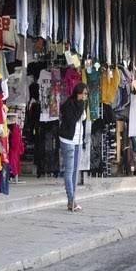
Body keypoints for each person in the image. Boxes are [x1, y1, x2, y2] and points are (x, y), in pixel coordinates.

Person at [59, 83, 88, 212]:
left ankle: (72, 199)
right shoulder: (68, 105)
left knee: (76, 171)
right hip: (68, 140)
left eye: (87, 94)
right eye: (84, 93)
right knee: (69, 171)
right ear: (78, 93)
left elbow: (83, 122)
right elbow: (72, 120)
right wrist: (81, 107)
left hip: (78, 140)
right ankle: (71, 200)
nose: (85, 96)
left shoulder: (82, 105)